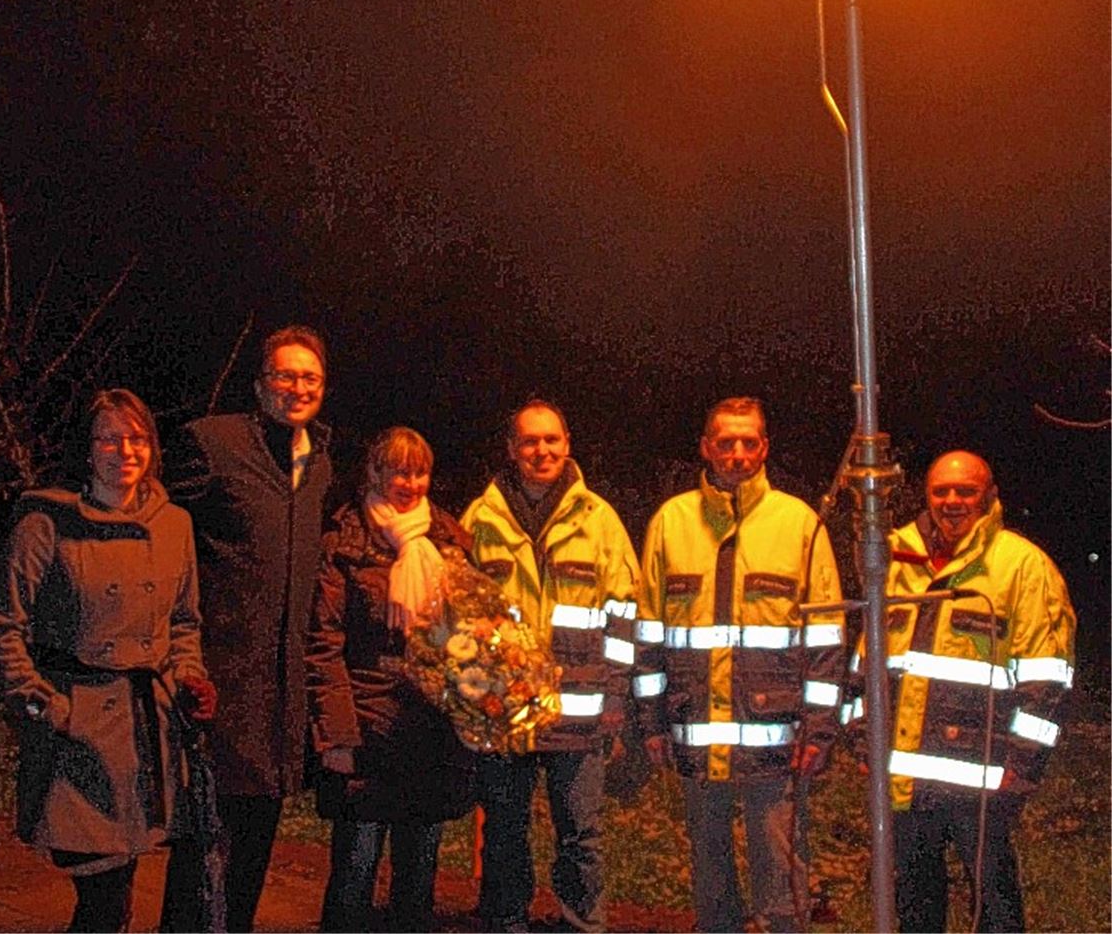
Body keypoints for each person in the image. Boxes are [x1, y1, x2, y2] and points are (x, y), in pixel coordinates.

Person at [0, 389, 216, 934]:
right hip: (77, 736)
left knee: (116, 896)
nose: (124, 450)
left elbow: (184, 623)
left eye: (136, 438)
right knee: (104, 898)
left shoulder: (174, 524)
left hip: (146, 735)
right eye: (108, 438)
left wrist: (190, 678)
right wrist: (43, 706)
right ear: (87, 450)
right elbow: (2, 625)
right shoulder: (46, 525)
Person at [634, 396, 843, 934]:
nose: (737, 453)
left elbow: (825, 643)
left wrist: (819, 730)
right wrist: (653, 723)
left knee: (781, 882)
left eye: (749, 442)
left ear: (764, 448)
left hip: (777, 742)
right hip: (695, 736)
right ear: (706, 448)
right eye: (726, 442)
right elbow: (649, 635)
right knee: (710, 879)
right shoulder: (671, 522)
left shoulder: (800, 525)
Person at [846, 449, 1076, 933]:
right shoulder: (895, 556)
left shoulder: (1021, 566)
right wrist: (861, 737)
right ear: (927, 495)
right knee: (914, 903)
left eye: (965, 491)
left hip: (985, 780)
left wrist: (1022, 764)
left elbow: (1048, 680)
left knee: (993, 904)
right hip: (904, 777)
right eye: (941, 491)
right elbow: (866, 661)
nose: (952, 501)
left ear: (989, 497)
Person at [160, 325, 334, 933]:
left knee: (255, 842)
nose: (296, 387)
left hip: (279, 698)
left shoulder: (319, 463)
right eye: (284, 375)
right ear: (260, 384)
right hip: (219, 682)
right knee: (203, 844)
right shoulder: (214, 444)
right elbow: (156, 527)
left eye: (308, 377)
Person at [461, 398, 639, 934]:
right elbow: (459, 623)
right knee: (505, 829)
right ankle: (505, 919)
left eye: (552, 440)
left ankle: (582, 923)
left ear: (567, 445)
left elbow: (624, 614)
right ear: (512, 449)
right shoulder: (479, 520)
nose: (542, 450)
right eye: (530, 441)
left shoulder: (599, 521)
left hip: (577, 706)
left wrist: (615, 694)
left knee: (582, 833)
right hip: (506, 709)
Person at [305, 425, 476, 931]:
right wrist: (336, 736)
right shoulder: (345, 540)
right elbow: (324, 644)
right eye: (398, 470)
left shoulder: (447, 538)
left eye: (418, 471)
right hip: (365, 728)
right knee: (353, 876)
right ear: (375, 472)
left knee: (417, 880)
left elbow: (469, 634)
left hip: (427, 731)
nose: (409, 481)